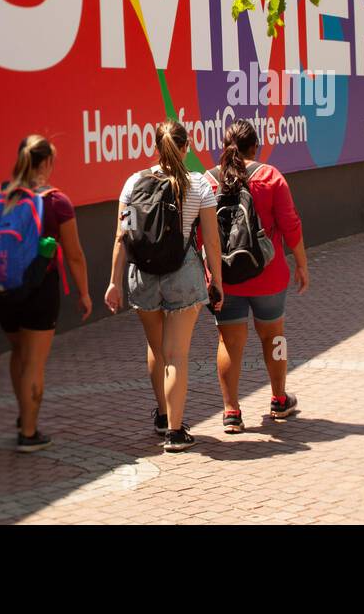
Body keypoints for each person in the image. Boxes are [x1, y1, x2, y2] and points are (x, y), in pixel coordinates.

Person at [103, 120, 224, 452]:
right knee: (177, 355)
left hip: (141, 276)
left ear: (155, 147)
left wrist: (114, 282)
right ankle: (175, 431)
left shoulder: (132, 183)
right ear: (186, 148)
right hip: (182, 275)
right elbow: (211, 241)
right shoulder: (198, 186)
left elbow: (121, 235)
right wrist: (218, 281)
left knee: (157, 349)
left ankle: (161, 416)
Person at [0, 135, 92, 453]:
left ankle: (25, 413)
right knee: (34, 361)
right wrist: (84, 293)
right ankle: (29, 432)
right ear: (47, 163)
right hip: (38, 288)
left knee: (19, 352)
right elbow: (74, 254)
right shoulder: (56, 201)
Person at [204, 120, 308, 432]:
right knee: (275, 336)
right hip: (269, 273)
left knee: (229, 341)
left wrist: (209, 275)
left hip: (225, 277)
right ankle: (278, 398)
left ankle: (232, 411)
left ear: (224, 147)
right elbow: (290, 225)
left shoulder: (207, 181)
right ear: (255, 147)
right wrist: (302, 263)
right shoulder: (270, 176)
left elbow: (200, 235)